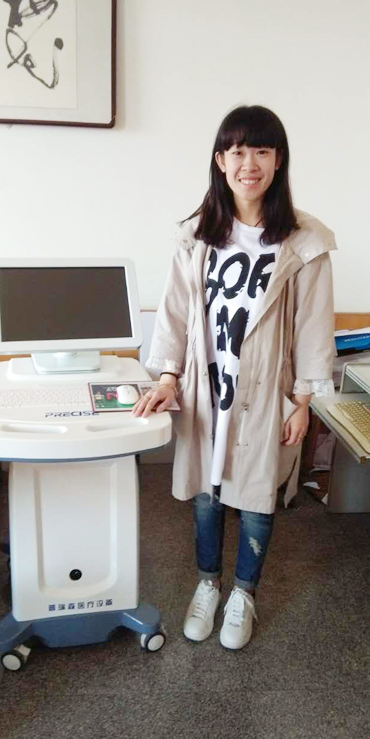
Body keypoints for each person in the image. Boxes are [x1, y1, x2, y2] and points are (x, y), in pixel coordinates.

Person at [133, 104, 336, 650]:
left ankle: (244, 593)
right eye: (238, 151)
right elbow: (175, 311)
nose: (250, 164)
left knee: (256, 495)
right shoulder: (198, 234)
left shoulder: (305, 240)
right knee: (208, 492)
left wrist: (302, 401)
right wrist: (168, 377)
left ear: (278, 161)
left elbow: (314, 324)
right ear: (220, 161)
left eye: (262, 151)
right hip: (209, 387)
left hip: (268, 389)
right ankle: (208, 583)